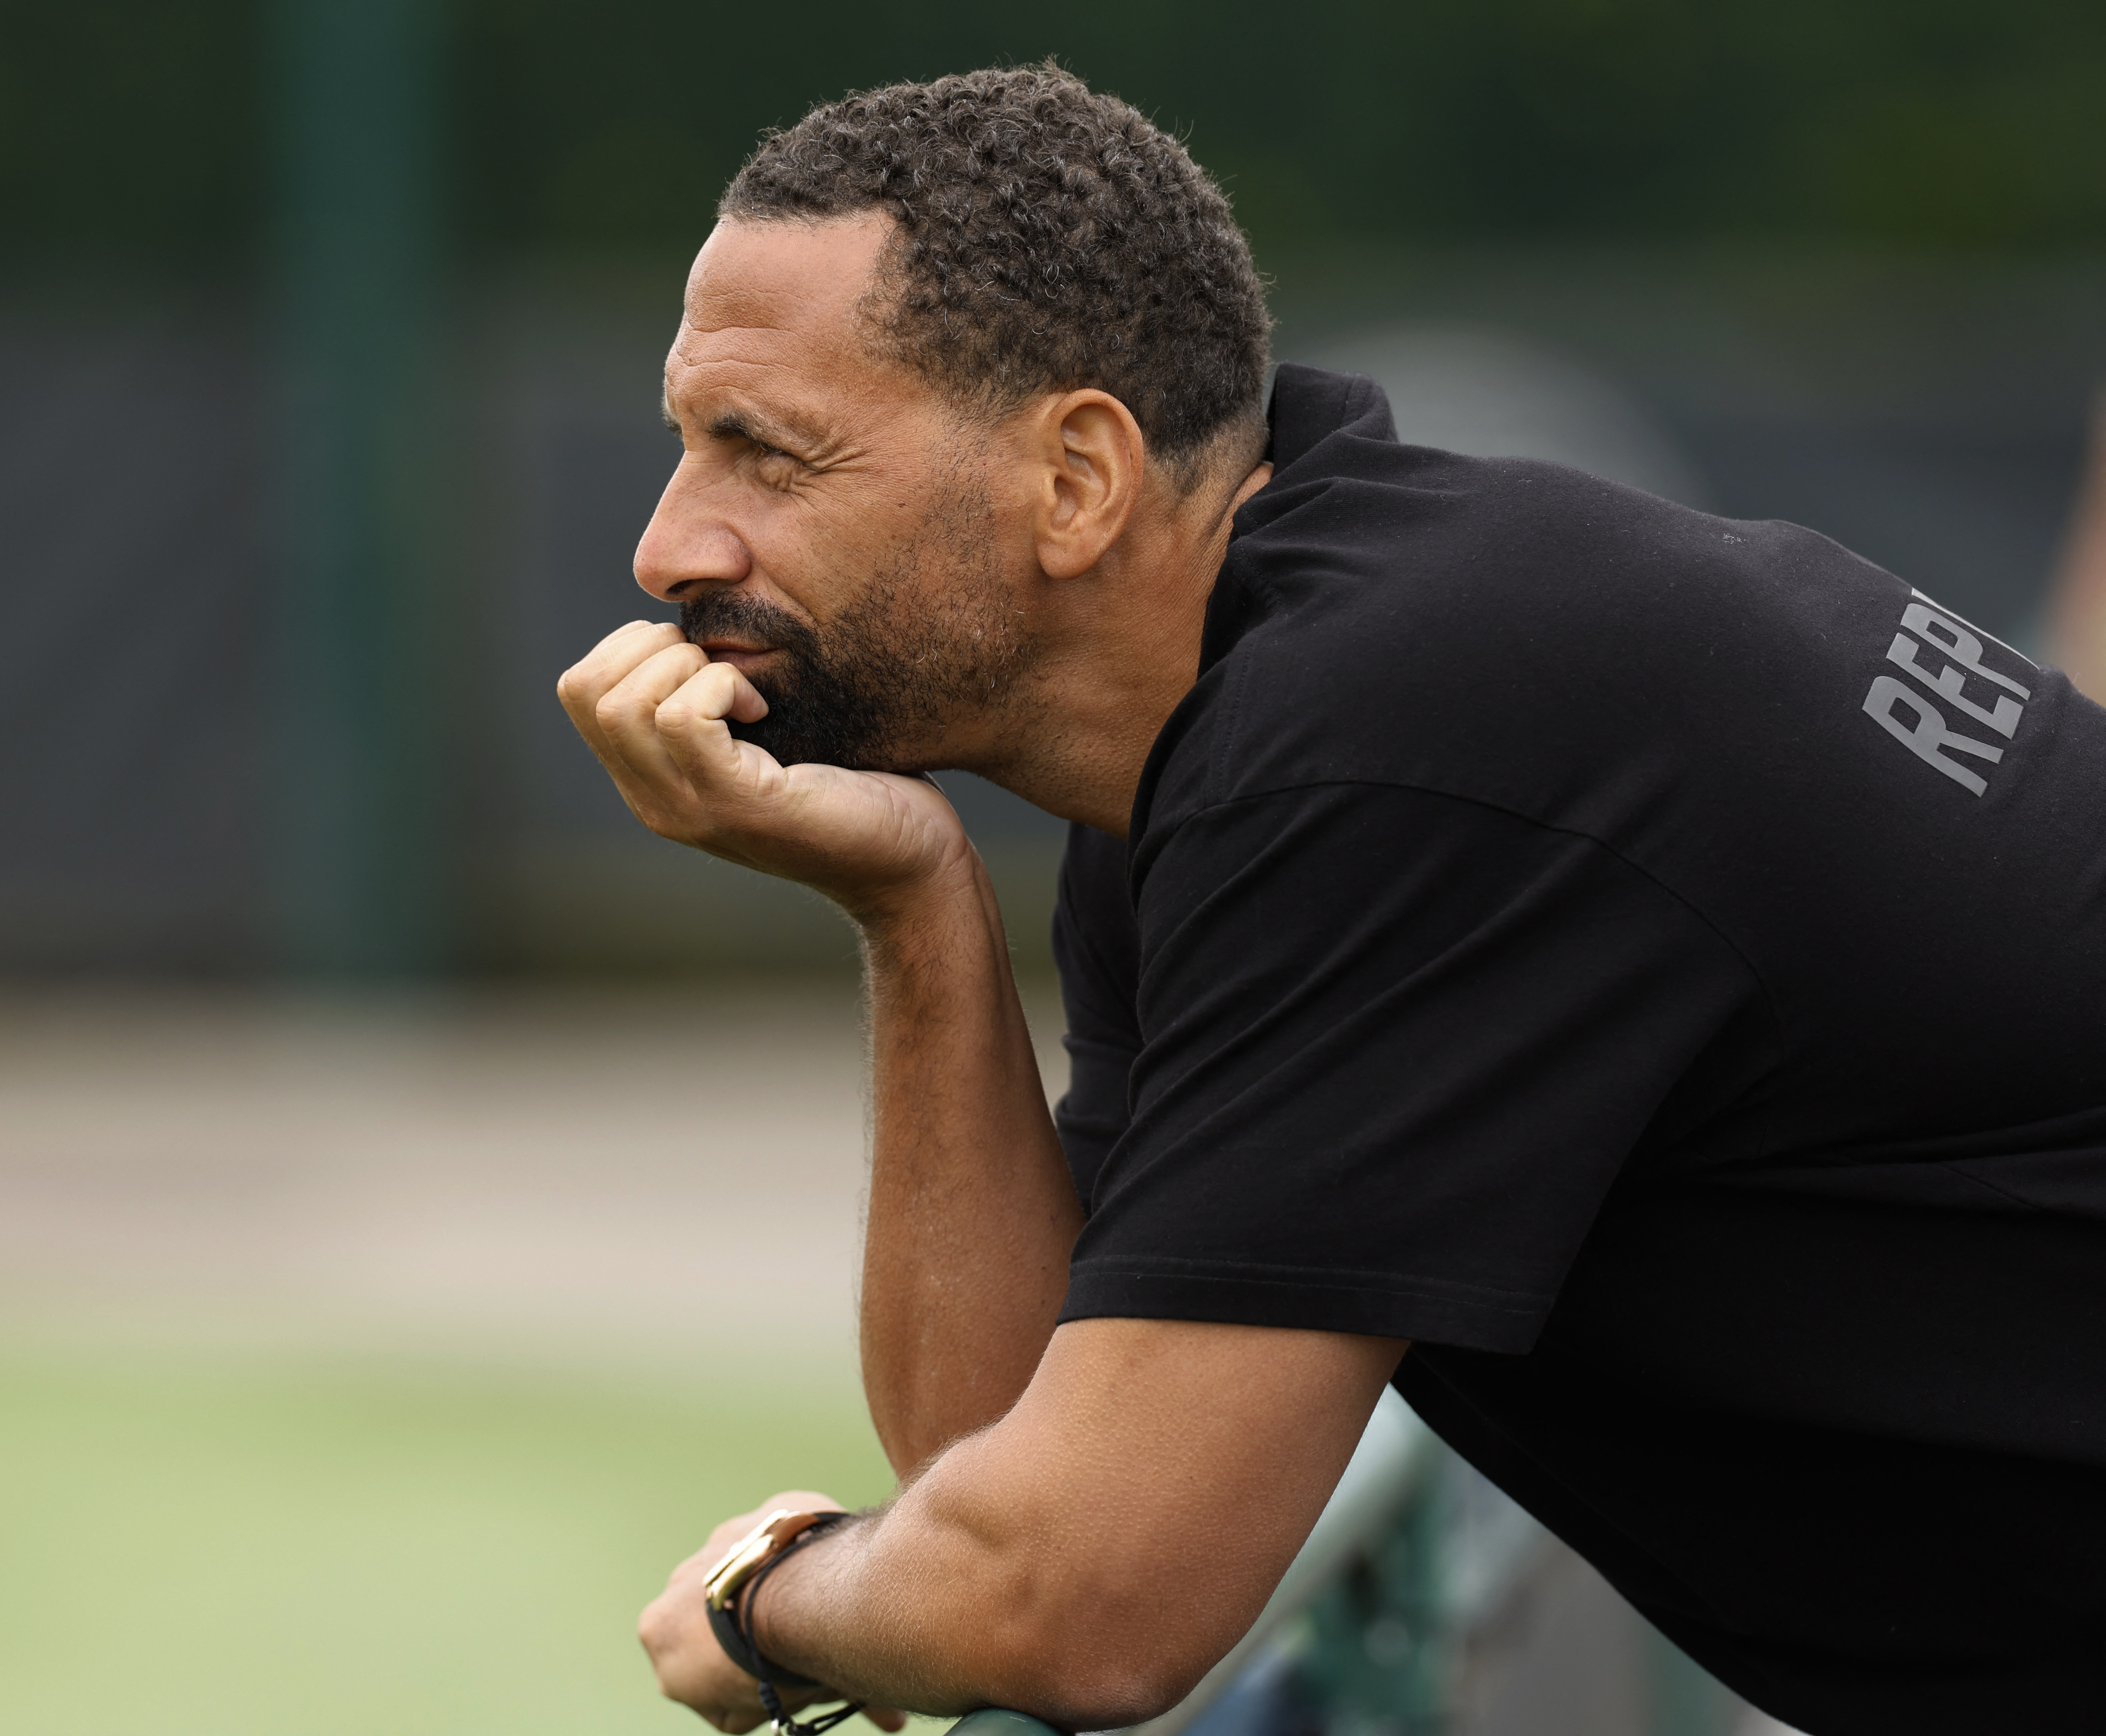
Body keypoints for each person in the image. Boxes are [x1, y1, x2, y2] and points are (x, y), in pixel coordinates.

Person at [558, 64, 2106, 1736]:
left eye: (764, 455)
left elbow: (1080, 1611)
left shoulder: (1397, 742)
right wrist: (913, 902)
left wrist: (771, 1597)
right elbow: (1002, 1460)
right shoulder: (1249, 725)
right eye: (684, 446)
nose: (669, 548)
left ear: (1079, 480)